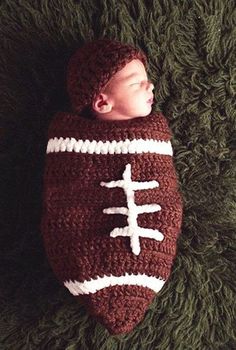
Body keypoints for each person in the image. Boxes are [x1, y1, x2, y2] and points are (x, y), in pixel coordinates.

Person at [41, 39, 183, 335]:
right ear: (102, 102)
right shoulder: (72, 149)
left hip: (148, 259)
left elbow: (166, 197)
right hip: (85, 256)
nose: (151, 87)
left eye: (147, 80)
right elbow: (65, 198)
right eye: (137, 83)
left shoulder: (154, 139)